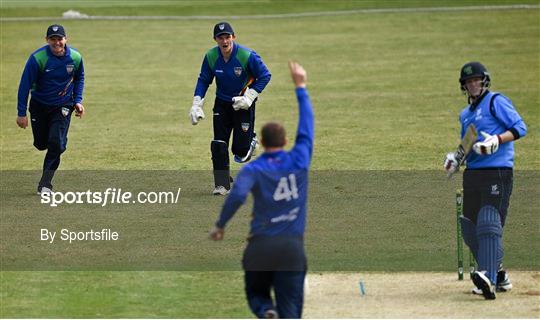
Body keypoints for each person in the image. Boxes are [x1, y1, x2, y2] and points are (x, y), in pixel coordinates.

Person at [210, 61, 313, 318]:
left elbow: (237, 196)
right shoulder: (299, 159)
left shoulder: (253, 170)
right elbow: (307, 129)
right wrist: (300, 87)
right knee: (291, 310)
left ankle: (266, 309)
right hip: (291, 249)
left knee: (256, 294)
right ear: (285, 141)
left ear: (262, 143)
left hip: (260, 248)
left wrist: (221, 225)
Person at [444, 62, 527, 300]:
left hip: (497, 171)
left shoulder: (496, 101)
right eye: (469, 82)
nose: (473, 85)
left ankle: (488, 278)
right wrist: (455, 159)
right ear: (464, 86)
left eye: (477, 80)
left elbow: (520, 127)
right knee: (469, 226)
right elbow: (467, 145)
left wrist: (497, 140)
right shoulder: (466, 114)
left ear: (484, 81)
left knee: (488, 221)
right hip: (473, 174)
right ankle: (498, 274)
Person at [189, 21, 271, 195]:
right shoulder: (211, 56)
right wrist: (197, 104)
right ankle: (221, 184)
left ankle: (251, 140)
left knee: (239, 152)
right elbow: (204, 79)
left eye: (227, 37)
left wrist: (249, 97)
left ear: (233, 37)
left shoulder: (246, 55)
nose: (225, 41)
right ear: (215, 39)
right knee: (218, 143)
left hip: (242, 104)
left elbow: (265, 75)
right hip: (222, 104)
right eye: (221, 38)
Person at [17, 24, 85, 194]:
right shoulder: (37, 58)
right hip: (39, 106)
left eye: (59, 39)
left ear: (65, 39)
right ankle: (58, 141)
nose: (56, 42)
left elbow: (79, 77)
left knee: (56, 144)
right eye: (52, 39)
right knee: (41, 144)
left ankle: (45, 184)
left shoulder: (75, 57)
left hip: (63, 105)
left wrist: (77, 100)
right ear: (47, 40)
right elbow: (24, 85)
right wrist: (21, 113)